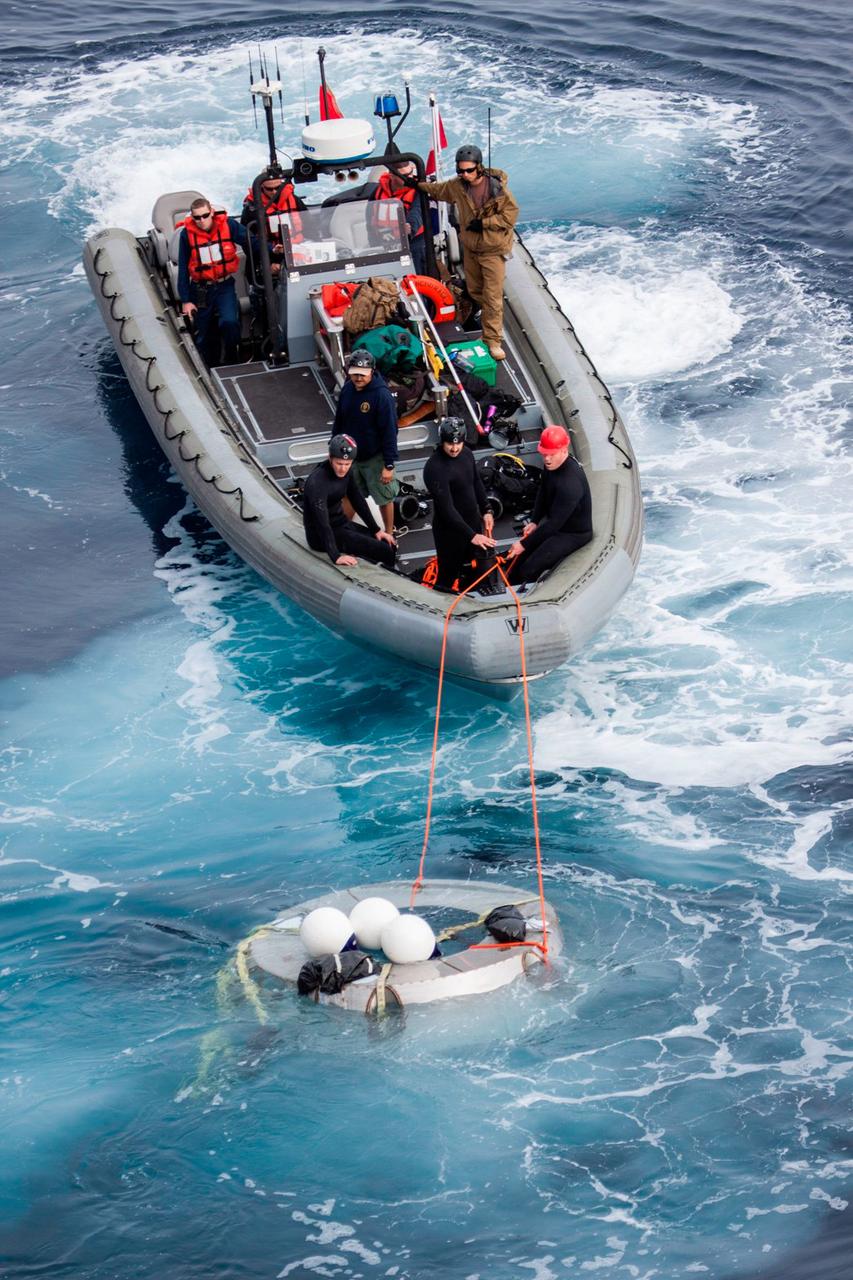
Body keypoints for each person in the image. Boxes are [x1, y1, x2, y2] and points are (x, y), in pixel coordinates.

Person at [416, 145, 518, 361]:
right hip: (471, 249)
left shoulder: (497, 190)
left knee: (492, 295)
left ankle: (493, 340)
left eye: (469, 170)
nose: (465, 175)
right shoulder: (458, 187)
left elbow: (510, 217)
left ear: (479, 168)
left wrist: (484, 223)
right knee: (475, 289)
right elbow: (440, 191)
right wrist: (419, 186)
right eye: (461, 171)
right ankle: (488, 318)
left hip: (492, 249)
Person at [506, 424, 593, 585]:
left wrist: (524, 544)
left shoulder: (570, 484)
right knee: (518, 559)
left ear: (564, 450)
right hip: (556, 525)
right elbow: (543, 491)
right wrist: (534, 520)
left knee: (528, 569)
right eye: (544, 454)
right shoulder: (551, 465)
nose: (546, 459)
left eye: (551, 454)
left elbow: (553, 525)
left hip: (572, 533)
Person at [423, 417, 497, 592]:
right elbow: (446, 509)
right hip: (449, 532)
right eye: (449, 444)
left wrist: (487, 509)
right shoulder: (434, 467)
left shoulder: (467, 454)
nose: (455, 448)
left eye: (458, 444)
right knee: (447, 575)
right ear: (442, 441)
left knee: (475, 571)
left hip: (472, 524)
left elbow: (476, 482)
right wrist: (472, 535)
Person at [303, 434, 397, 568]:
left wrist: (376, 530)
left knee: (388, 544)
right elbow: (321, 523)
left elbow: (357, 499)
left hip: (341, 524)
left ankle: (389, 571)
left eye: (347, 464)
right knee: (384, 551)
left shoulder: (347, 471)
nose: (343, 468)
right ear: (329, 458)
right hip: (319, 536)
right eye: (339, 463)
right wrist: (336, 556)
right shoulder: (318, 482)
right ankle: (389, 581)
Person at [332, 349, 400, 536]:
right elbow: (340, 420)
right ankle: (343, 531)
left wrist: (389, 464)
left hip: (375, 458)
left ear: (372, 371)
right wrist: (334, 449)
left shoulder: (381, 396)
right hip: (352, 457)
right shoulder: (347, 389)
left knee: (384, 498)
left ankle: (389, 534)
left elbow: (390, 431)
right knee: (349, 495)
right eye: (354, 374)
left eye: (362, 374)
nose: (358, 378)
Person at [177, 196, 251, 365]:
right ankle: (211, 366)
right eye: (197, 218)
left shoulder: (229, 226)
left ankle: (233, 358)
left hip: (224, 285)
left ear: (211, 212)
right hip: (201, 289)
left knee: (230, 322)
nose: (201, 221)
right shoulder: (186, 235)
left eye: (204, 216)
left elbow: (251, 240)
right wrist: (186, 300)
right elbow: (183, 268)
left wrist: (272, 250)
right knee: (204, 333)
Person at [241, 166, 306, 282]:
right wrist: (266, 263)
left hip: (297, 253)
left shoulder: (295, 201)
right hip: (268, 257)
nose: (274, 192)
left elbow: (310, 227)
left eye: (277, 188)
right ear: (261, 187)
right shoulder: (251, 209)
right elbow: (248, 242)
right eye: (269, 189)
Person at [371, 155, 426, 274]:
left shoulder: (418, 191)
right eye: (405, 176)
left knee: (418, 273)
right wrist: (373, 241)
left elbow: (417, 211)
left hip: (413, 241)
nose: (410, 178)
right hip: (385, 242)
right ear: (392, 176)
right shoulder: (378, 191)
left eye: (411, 173)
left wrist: (410, 227)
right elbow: (369, 216)